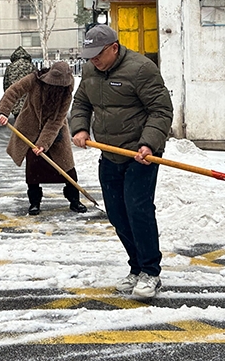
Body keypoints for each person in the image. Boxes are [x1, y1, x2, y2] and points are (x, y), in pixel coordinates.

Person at [69, 26, 173, 300]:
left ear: (114, 47)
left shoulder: (141, 69)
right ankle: (136, 267)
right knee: (116, 214)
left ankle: (150, 272)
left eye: (98, 54)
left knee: (138, 210)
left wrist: (149, 143)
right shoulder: (92, 71)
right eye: (89, 55)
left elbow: (161, 110)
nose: (93, 60)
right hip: (110, 153)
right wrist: (79, 128)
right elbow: (80, 103)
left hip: (141, 155)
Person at [0, 61, 87, 216]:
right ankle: (34, 203)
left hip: (54, 131)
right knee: (33, 170)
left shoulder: (67, 89)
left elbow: (56, 120)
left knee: (67, 168)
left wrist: (43, 143)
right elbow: (14, 91)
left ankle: (74, 200)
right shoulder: (35, 79)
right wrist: (4, 111)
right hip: (30, 127)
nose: (57, 87)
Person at [3, 46, 35, 119]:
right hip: (29, 102)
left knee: (18, 124)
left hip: (15, 100)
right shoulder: (31, 66)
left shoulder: (10, 67)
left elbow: (6, 85)